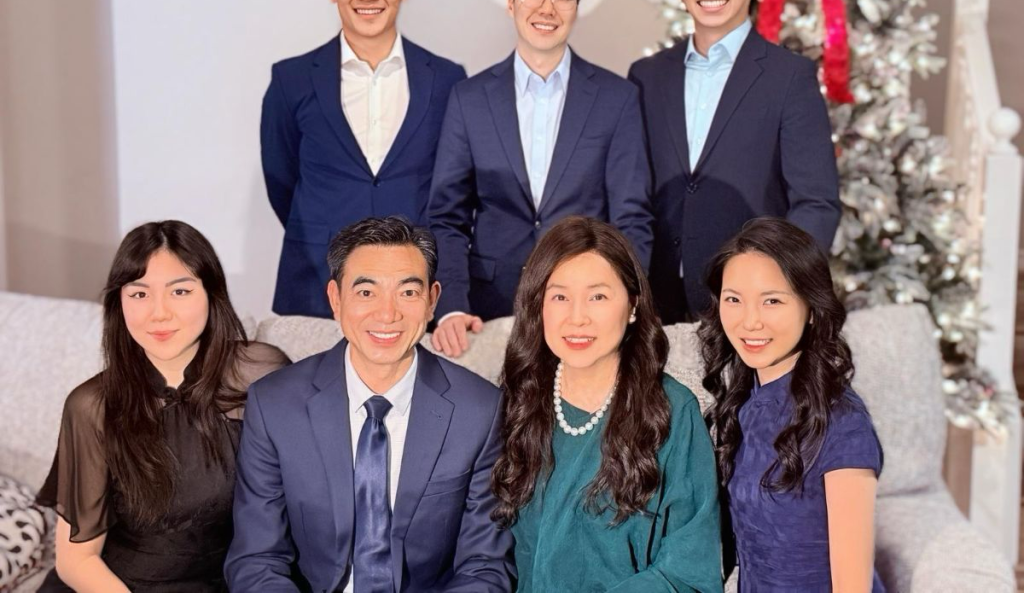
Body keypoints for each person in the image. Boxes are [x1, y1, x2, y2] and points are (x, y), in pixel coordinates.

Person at [225, 216, 515, 592]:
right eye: (366, 292)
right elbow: (257, 559)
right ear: (335, 299)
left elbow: (485, 567)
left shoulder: (480, 410)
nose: (387, 314)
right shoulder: (275, 404)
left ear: (432, 300)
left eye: (407, 292)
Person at [35, 221, 289, 592]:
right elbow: (77, 560)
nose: (159, 313)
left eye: (180, 291)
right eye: (139, 294)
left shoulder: (259, 374)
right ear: (119, 303)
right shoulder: (92, 405)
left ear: (211, 293)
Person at [429, 0, 653, 357]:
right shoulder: (469, 98)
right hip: (487, 310)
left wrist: (622, 302)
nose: (547, 8)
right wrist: (451, 306)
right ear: (510, 2)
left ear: (576, 7)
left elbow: (631, 218)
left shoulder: (617, 98)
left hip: (586, 311)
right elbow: (447, 217)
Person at [628, 0, 840, 323]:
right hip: (658, 300)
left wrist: (780, 287)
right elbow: (631, 192)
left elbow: (816, 201)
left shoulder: (789, 76)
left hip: (751, 305)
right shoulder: (645, 76)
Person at [492, 216, 722, 592]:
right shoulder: (516, 402)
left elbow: (689, 572)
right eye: (560, 297)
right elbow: (485, 554)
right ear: (538, 306)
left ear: (633, 306)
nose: (577, 318)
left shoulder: (672, 411)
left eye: (597, 296)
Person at [261, 0, 468, 319]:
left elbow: (454, 188)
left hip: (412, 285)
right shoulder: (291, 79)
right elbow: (281, 180)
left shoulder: (447, 79)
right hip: (315, 281)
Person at [699, 217, 884, 592]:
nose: (750, 322)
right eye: (734, 300)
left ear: (811, 309)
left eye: (772, 301)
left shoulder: (843, 423)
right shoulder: (743, 401)